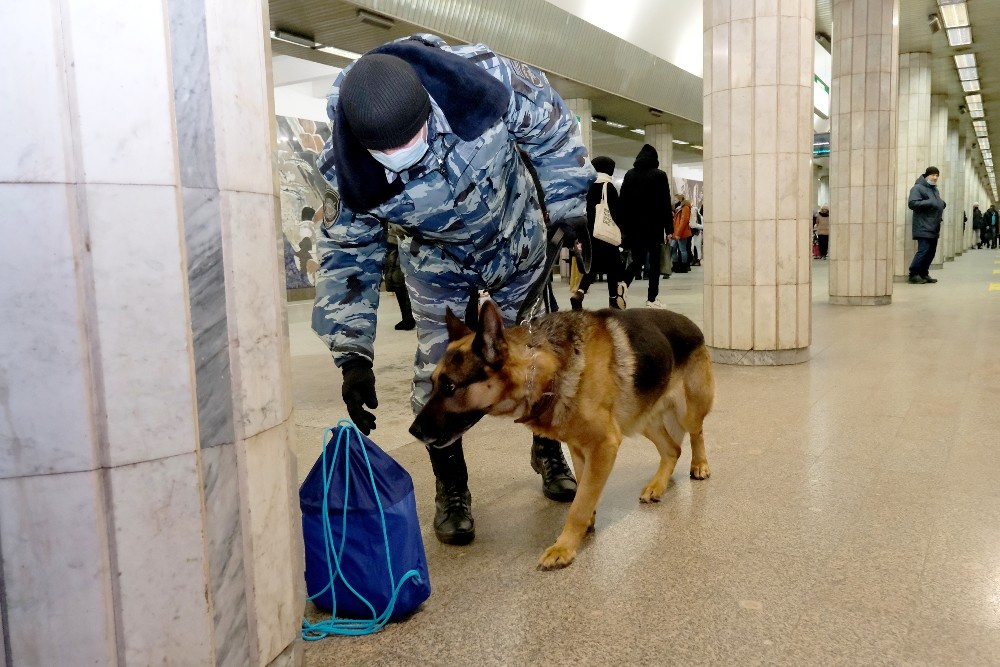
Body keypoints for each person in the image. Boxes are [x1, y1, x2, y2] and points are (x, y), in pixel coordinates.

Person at [311, 34, 594, 546]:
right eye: (385, 153)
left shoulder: (485, 80)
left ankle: (548, 449)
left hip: (516, 241)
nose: (401, 160)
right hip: (435, 261)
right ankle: (453, 488)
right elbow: (347, 256)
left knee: (536, 363)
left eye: (410, 141)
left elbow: (554, 134)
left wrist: (569, 204)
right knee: (438, 373)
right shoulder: (342, 164)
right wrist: (352, 354)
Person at [619, 144, 672, 307]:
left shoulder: (629, 175)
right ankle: (652, 298)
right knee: (655, 263)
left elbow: (623, 203)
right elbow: (665, 203)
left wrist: (623, 228)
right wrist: (669, 229)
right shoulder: (660, 175)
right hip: (654, 227)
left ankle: (623, 284)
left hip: (634, 228)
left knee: (638, 260)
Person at [570, 156, 626, 310]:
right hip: (604, 233)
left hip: (588, 232)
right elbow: (615, 213)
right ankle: (613, 300)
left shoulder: (587, 186)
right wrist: (621, 230)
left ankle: (579, 293)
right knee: (614, 266)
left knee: (592, 266)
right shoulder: (608, 187)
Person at [907, 166, 946, 284]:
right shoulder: (917, 188)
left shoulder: (935, 190)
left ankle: (924, 273)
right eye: (933, 175)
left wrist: (941, 203)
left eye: (937, 176)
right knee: (923, 250)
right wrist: (931, 202)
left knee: (931, 252)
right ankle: (913, 274)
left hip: (933, 226)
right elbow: (912, 203)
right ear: (927, 175)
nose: (935, 178)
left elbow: (935, 204)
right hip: (923, 225)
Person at [384, 224, 415, 330]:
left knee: (402, 281)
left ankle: (409, 318)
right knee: (396, 280)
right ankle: (406, 317)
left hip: (407, 240)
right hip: (394, 240)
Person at [671, 193, 693, 273]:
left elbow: (684, 221)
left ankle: (684, 267)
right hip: (676, 232)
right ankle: (676, 265)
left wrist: (678, 233)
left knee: (682, 250)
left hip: (681, 232)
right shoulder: (680, 208)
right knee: (673, 249)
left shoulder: (685, 207)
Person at [689, 201, 703, 267]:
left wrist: (696, 225)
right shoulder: (691, 217)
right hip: (692, 234)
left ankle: (698, 260)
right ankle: (693, 259)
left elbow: (703, 226)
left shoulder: (700, 217)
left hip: (698, 233)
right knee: (692, 248)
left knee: (698, 247)